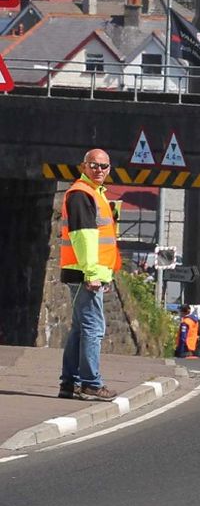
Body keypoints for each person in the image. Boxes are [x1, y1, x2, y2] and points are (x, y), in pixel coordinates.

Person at [59, 148, 120, 401]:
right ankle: (91, 384)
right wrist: (92, 274)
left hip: (87, 272)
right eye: (94, 165)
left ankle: (70, 383)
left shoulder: (94, 193)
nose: (99, 170)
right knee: (93, 327)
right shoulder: (81, 194)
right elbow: (83, 237)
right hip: (86, 274)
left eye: (104, 166)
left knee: (80, 329)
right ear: (83, 167)